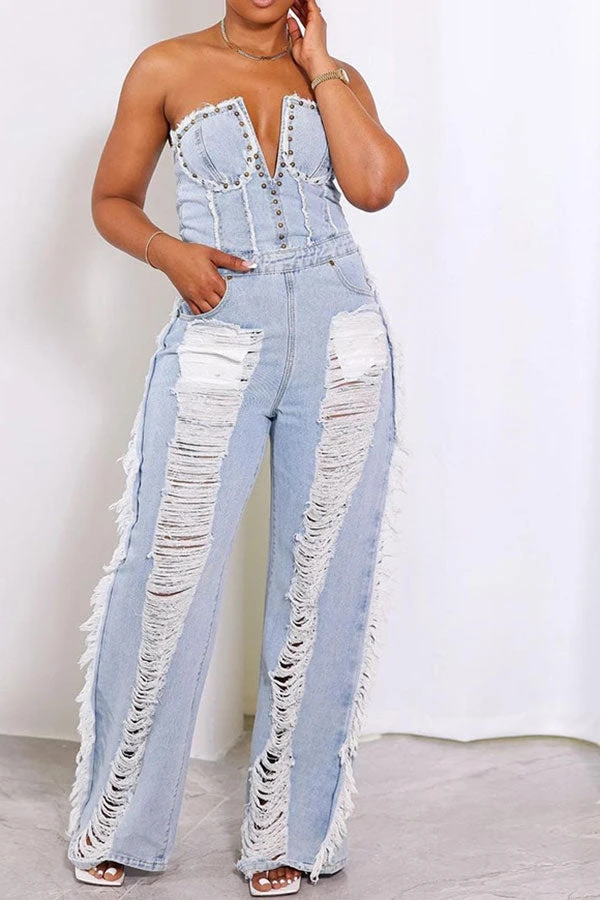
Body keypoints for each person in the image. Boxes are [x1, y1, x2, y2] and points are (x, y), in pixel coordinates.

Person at [65, 0, 409, 894]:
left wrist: (321, 63)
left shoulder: (336, 77)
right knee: (167, 573)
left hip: (341, 335)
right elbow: (110, 200)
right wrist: (169, 252)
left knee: (323, 583)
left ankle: (290, 833)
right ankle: (122, 819)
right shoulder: (165, 67)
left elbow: (375, 186)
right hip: (220, 330)